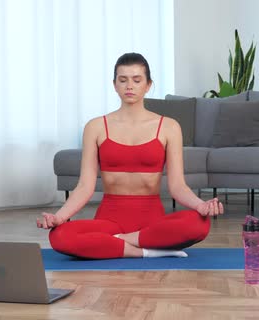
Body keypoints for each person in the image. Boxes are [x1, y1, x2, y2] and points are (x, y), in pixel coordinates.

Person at [37, 52, 224, 259]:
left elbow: (178, 186)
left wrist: (201, 205)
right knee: (59, 236)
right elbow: (85, 187)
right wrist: (59, 217)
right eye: (123, 80)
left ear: (148, 85)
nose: (129, 86)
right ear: (114, 84)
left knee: (199, 224)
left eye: (137, 80)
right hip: (109, 220)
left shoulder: (169, 127)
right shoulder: (96, 127)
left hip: (152, 220)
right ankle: (147, 251)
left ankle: (117, 243)